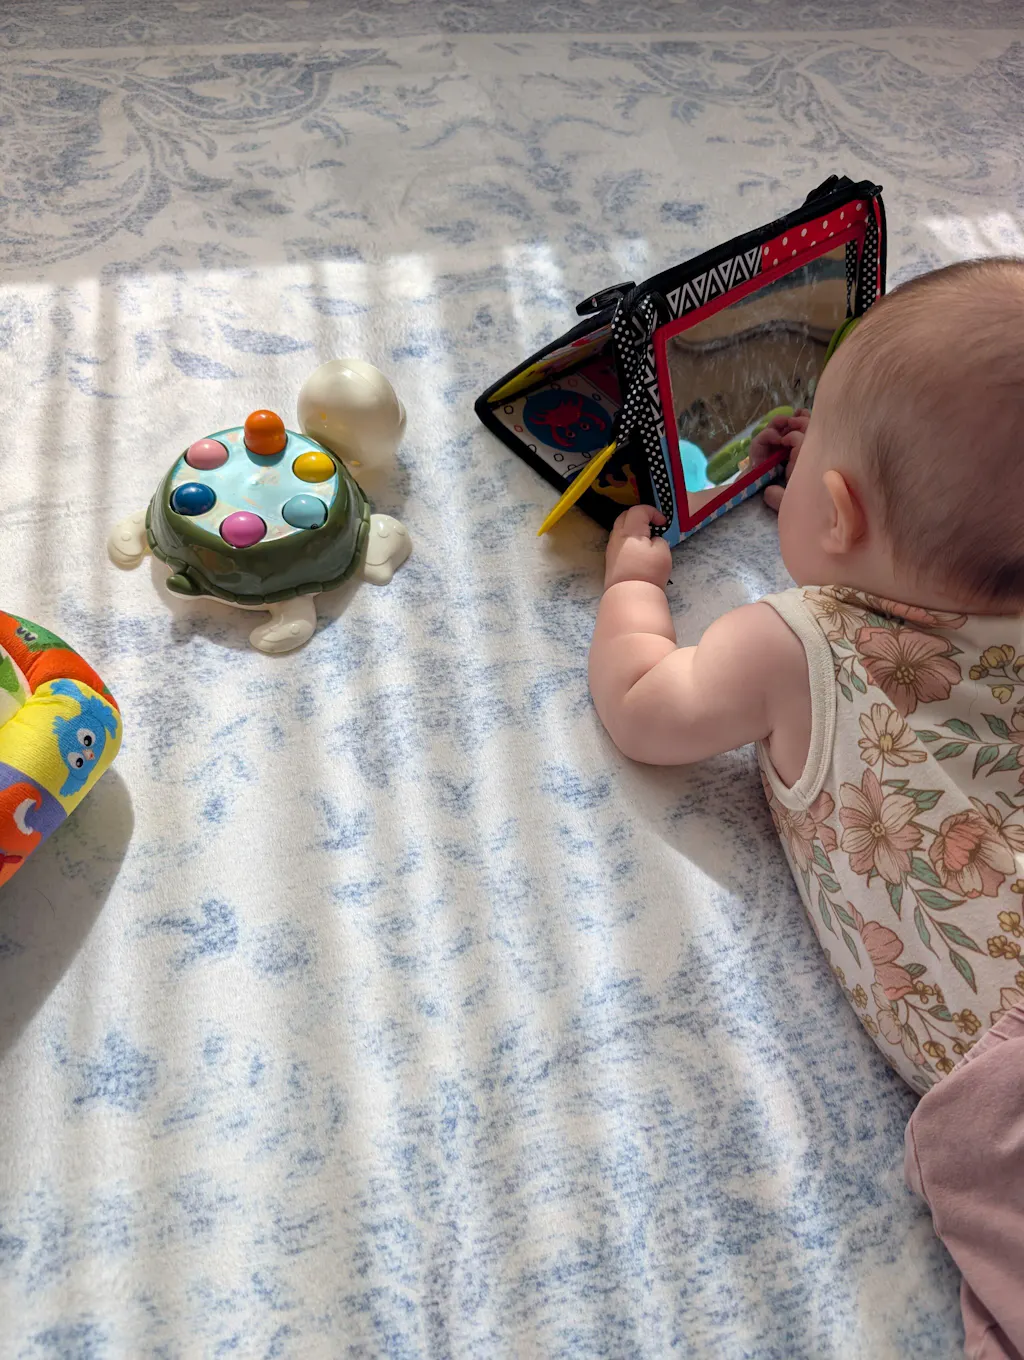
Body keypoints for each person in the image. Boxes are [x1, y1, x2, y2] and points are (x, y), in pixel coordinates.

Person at [588, 258, 1024, 1359]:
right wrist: (879, 524)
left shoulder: (791, 644)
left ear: (837, 513)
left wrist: (632, 589)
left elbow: (644, 709)